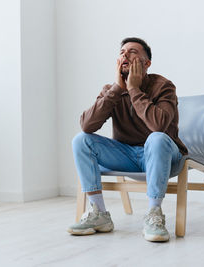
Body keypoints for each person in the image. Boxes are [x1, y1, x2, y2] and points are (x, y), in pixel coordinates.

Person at [67, 37, 188, 242]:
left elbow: (159, 126)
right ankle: (99, 214)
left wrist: (134, 90)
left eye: (132, 52)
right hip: (127, 155)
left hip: (164, 156)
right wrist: (117, 89)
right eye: (122, 52)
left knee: (157, 138)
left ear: (146, 63)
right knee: (81, 140)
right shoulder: (112, 90)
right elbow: (87, 125)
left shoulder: (164, 86)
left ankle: (154, 214)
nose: (125, 55)